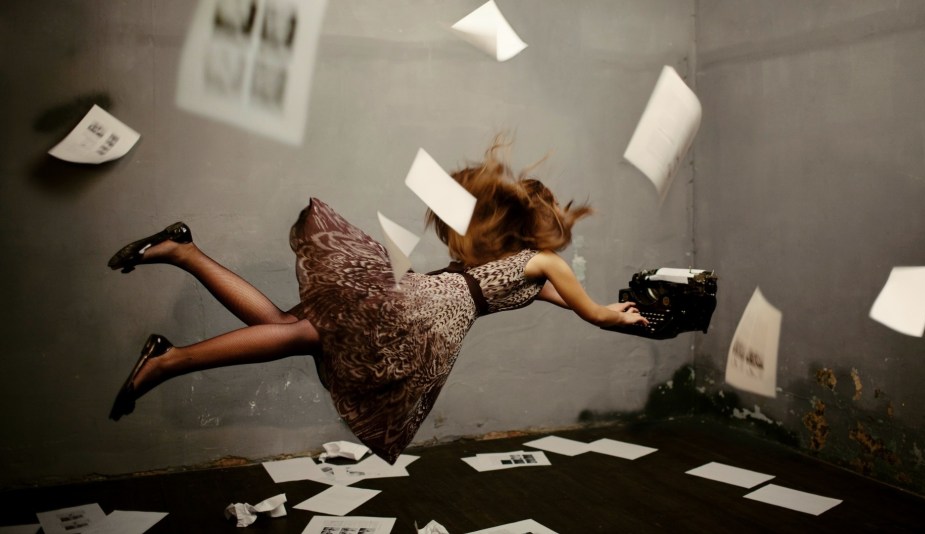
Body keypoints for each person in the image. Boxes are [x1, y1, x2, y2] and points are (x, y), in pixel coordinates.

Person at [107, 136, 647, 463]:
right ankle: (168, 360)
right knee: (299, 333)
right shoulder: (542, 262)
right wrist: (619, 317)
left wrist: (614, 311)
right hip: (422, 317)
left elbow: (571, 302)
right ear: (541, 228)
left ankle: (184, 253)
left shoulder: (511, 267)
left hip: (419, 297)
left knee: (291, 328)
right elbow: (592, 312)